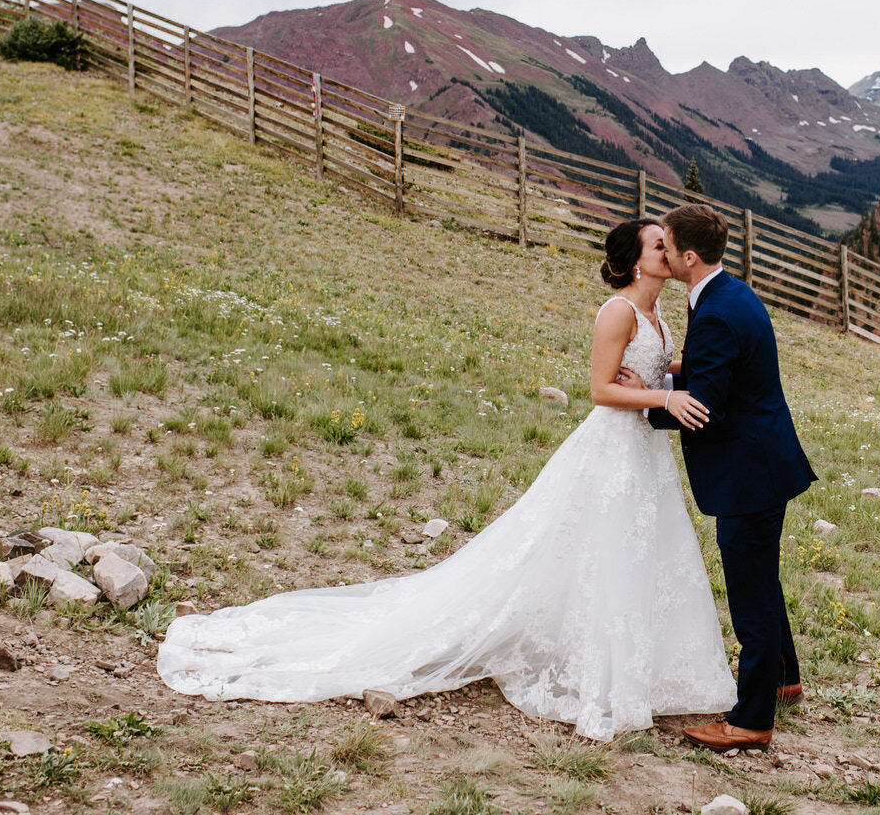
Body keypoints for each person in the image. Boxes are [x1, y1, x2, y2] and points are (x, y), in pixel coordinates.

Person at [156, 218, 736, 741]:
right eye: (659, 244)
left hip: (645, 457)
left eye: (669, 243)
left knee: (635, 555)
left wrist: (669, 376)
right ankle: (599, 670)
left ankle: (633, 664)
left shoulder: (660, 313)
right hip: (613, 451)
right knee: (594, 548)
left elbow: (651, 368)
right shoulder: (618, 312)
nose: (670, 249)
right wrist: (663, 395)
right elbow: (600, 390)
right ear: (638, 260)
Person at [643, 204, 816, 752]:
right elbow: (721, 365)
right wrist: (672, 372)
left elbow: (706, 407)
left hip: (749, 473)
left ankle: (751, 719)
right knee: (763, 579)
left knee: (749, 592)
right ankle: (784, 680)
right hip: (766, 460)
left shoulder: (714, 312)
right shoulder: (728, 292)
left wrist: (644, 404)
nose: (662, 253)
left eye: (666, 246)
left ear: (687, 257)